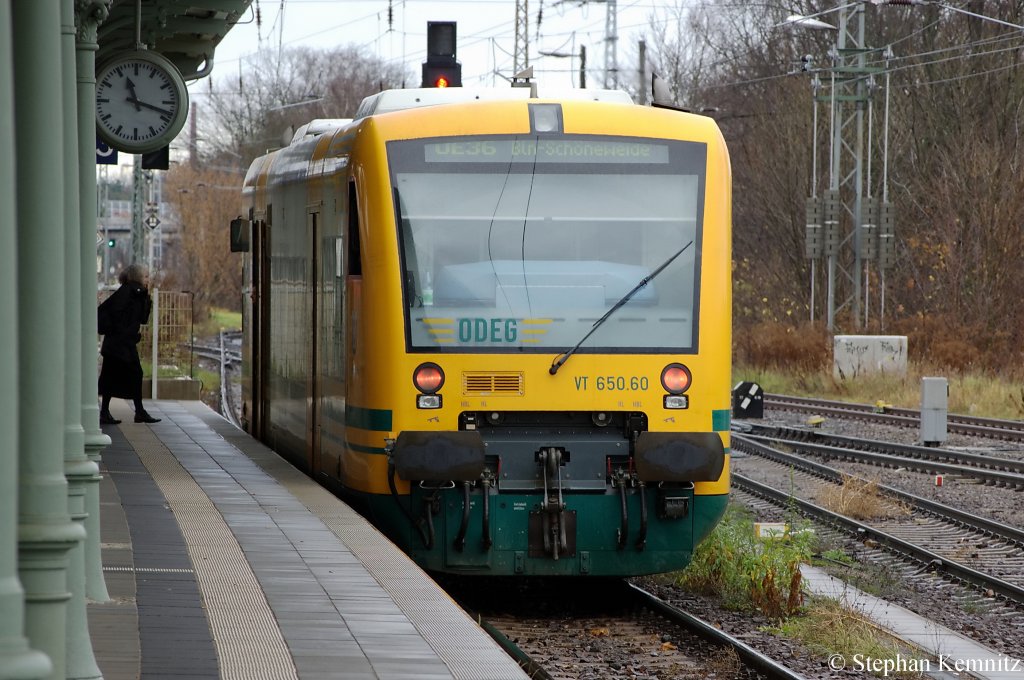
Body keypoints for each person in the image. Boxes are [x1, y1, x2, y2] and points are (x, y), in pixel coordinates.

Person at [98, 264, 161, 424]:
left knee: (112, 376)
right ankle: (137, 411)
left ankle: (108, 412)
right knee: (131, 374)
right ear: (137, 277)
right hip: (120, 343)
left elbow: (143, 319)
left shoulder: (137, 293)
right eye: (145, 276)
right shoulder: (128, 291)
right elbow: (116, 313)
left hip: (120, 343)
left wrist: (147, 297)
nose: (148, 279)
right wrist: (125, 332)